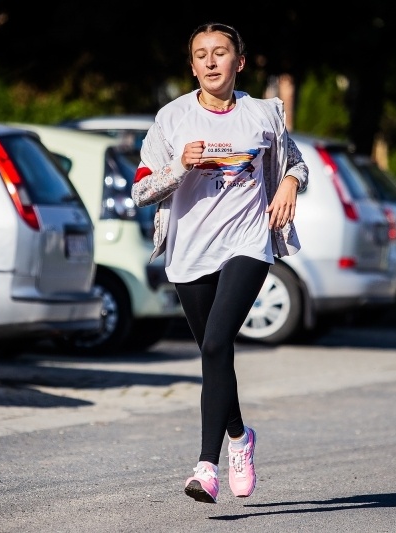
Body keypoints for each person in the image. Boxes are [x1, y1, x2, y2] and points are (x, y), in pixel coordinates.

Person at [131, 22, 308, 504]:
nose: (211, 61)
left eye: (221, 53)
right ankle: (240, 437)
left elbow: (295, 163)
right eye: (201, 55)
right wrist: (179, 167)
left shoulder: (265, 114)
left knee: (215, 340)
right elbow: (141, 191)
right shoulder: (170, 119)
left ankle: (206, 467)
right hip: (189, 253)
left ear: (239, 62)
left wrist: (290, 183)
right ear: (192, 67)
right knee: (215, 354)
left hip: (248, 244)